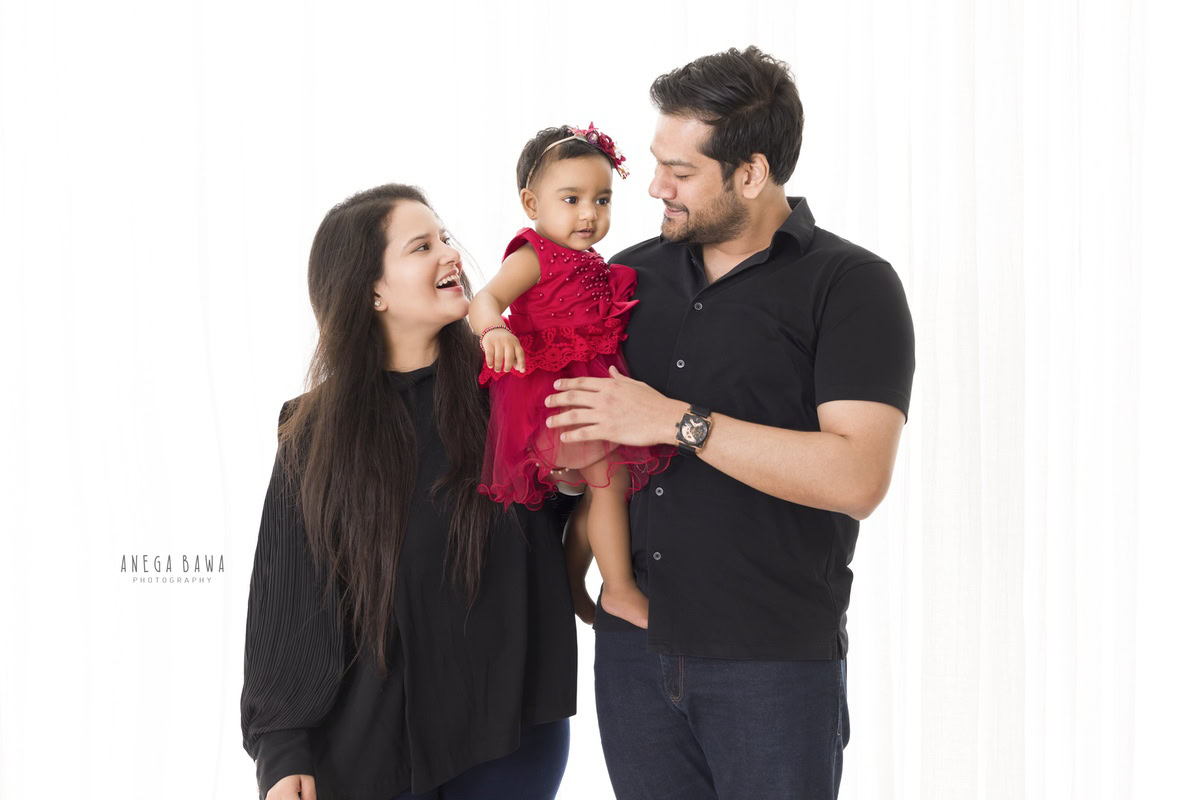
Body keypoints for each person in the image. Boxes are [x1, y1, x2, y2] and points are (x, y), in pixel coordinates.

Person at [543, 47, 917, 799]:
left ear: (751, 173)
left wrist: (674, 421)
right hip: (632, 655)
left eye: (680, 172)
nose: (653, 187)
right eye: (656, 164)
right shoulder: (625, 278)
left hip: (772, 665)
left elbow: (856, 477)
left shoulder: (851, 287)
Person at [239, 183, 580, 800]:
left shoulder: (506, 386)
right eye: (422, 246)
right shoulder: (311, 430)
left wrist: (573, 480)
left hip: (508, 733)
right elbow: (287, 594)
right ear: (373, 291)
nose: (450, 254)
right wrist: (282, 749)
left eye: (445, 237)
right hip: (369, 745)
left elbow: (554, 512)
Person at [468, 123, 676, 630]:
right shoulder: (532, 255)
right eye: (572, 199)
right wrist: (494, 330)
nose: (589, 214)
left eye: (602, 199)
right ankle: (621, 590)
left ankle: (572, 580)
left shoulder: (587, 259)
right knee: (609, 482)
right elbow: (484, 299)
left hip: (586, 381)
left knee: (604, 486)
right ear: (532, 204)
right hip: (552, 389)